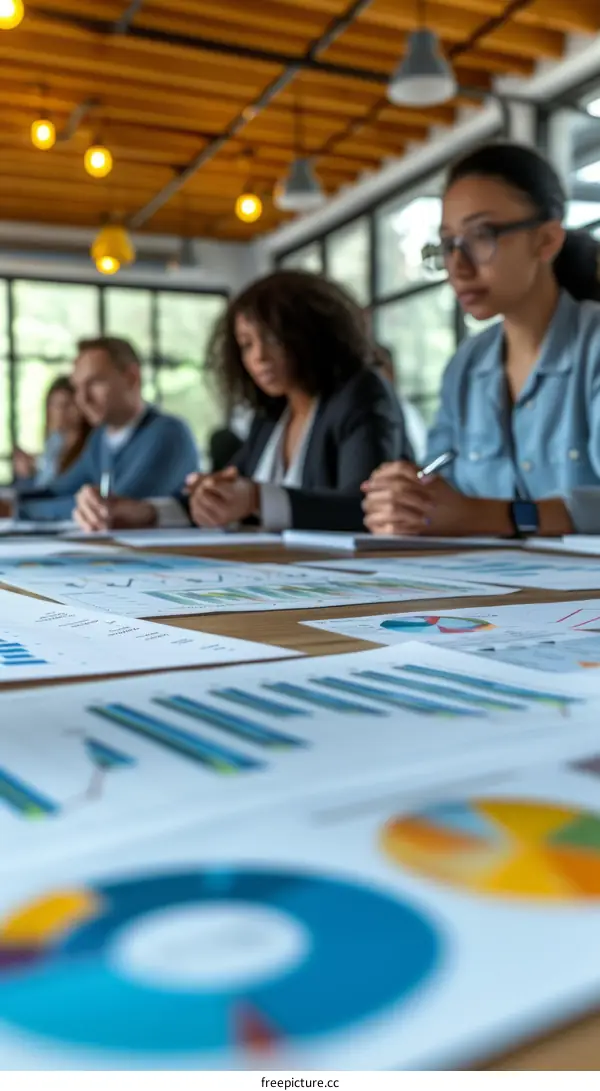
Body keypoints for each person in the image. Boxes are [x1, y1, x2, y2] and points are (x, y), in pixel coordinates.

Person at [362, 141, 600, 539]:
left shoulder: (592, 347)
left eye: (481, 235)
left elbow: (470, 513)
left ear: (546, 240)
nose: (457, 265)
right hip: (494, 589)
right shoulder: (467, 365)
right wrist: (407, 497)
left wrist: (497, 517)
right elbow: (442, 481)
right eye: (448, 243)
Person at [183, 270, 411, 532]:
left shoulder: (360, 393)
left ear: (313, 332)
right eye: (246, 344)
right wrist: (162, 507)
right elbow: (231, 484)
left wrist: (256, 498)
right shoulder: (271, 415)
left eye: (273, 338)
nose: (259, 357)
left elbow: (368, 506)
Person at [19, 337, 199, 525]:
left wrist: (20, 510)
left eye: (94, 383)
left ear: (131, 378)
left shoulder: (168, 433)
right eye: (77, 387)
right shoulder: (100, 439)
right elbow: (58, 489)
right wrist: (12, 500)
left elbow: (111, 506)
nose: (82, 399)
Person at [13, 376, 91, 489]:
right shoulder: (54, 441)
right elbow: (42, 485)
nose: (58, 412)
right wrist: (29, 472)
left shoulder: (91, 445)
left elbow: (60, 488)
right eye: (53, 405)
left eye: (66, 405)